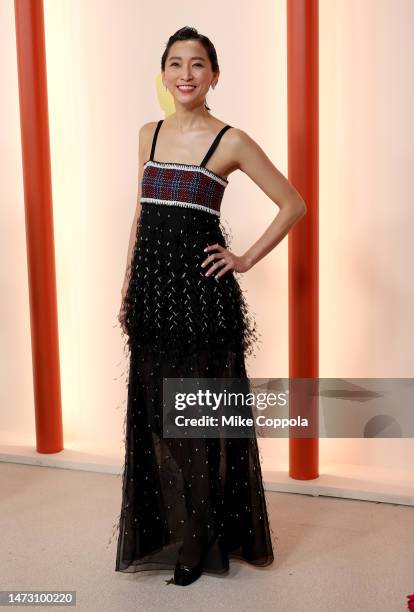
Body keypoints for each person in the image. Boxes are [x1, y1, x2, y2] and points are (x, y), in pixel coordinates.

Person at [113, 26, 307, 587]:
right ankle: (177, 526)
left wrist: (244, 259)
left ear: (214, 74)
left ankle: (199, 539)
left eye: (198, 65)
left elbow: (293, 204)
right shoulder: (147, 134)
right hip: (151, 295)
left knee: (196, 421)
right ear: (165, 73)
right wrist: (127, 280)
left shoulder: (232, 140)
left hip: (202, 300)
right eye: (175, 64)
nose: (186, 75)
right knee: (157, 419)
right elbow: (141, 214)